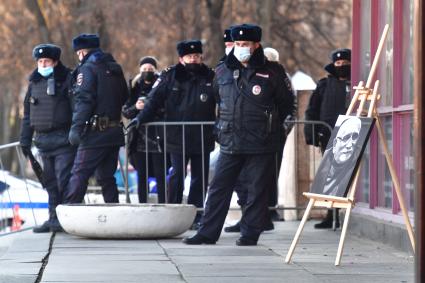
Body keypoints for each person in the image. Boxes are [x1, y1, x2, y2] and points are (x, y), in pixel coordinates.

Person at [183, 24, 295, 246]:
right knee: (218, 189)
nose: (240, 48)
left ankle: (250, 234)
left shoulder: (273, 71)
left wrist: (271, 128)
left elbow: (285, 105)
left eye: (245, 44)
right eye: (237, 44)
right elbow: (217, 99)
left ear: (256, 46)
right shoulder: (223, 70)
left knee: (256, 190)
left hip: (261, 142)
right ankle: (207, 233)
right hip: (230, 140)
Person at [128, 40, 216, 229]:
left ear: (201, 57)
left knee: (200, 178)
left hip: (202, 136)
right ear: (181, 58)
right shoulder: (170, 76)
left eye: (196, 56)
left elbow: (223, 102)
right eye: (189, 56)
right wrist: (140, 118)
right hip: (177, 136)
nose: (193, 59)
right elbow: (153, 100)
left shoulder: (210, 76)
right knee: (177, 174)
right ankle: (173, 212)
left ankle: (197, 214)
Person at [64, 34, 128, 204]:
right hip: (114, 132)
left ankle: (70, 211)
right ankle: (114, 213)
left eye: (78, 53)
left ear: (82, 52)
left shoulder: (88, 69)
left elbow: (84, 101)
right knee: (107, 177)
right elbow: (125, 96)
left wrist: (76, 129)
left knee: (79, 173)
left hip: (95, 134)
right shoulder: (115, 67)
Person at [20, 44, 76, 232]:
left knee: (64, 180)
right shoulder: (34, 83)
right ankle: (53, 219)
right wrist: (25, 139)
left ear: (55, 61)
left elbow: (76, 108)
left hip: (63, 140)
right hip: (43, 142)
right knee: (50, 182)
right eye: (40, 61)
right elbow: (28, 114)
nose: (43, 64)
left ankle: (67, 219)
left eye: (47, 61)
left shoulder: (67, 79)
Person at [304, 48, 351, 228]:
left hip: (351, 137)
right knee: (330, 177)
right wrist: (312, 134)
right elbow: (312, 110)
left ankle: (341, 215)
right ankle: (331, 216)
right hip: (329, 136)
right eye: (338, 64)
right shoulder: (324, 85)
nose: (341, 67)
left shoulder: (357, 84)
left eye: (346, 64)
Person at [122, 56, 166, 203]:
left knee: (161, 174)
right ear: (140, 71)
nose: (147, 72)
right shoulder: (134, 87)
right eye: (144, 69)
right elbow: (126, 111)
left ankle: (163, 204)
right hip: (139, 139)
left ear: (155, 70)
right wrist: (137, 107)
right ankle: (142, 204)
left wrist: (152, 108)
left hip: (159, 138)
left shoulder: (162, 85)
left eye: (150, 69)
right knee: (142, 175)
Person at [311, 116, 361, 197]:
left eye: (354, 136)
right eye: (346, 138)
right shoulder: (327, 159)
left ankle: (334, 210)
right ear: (335, 143)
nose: (349, 145)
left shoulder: (357, 156)